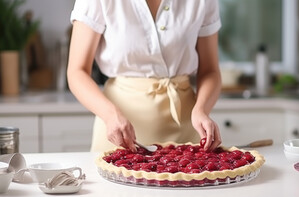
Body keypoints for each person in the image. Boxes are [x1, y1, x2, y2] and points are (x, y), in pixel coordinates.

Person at [67, 0, 222, 153]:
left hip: (187, 128)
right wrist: (110, 115)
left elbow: (210, 70)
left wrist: (201, 110)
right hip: (118, 128)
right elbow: (77, 72)